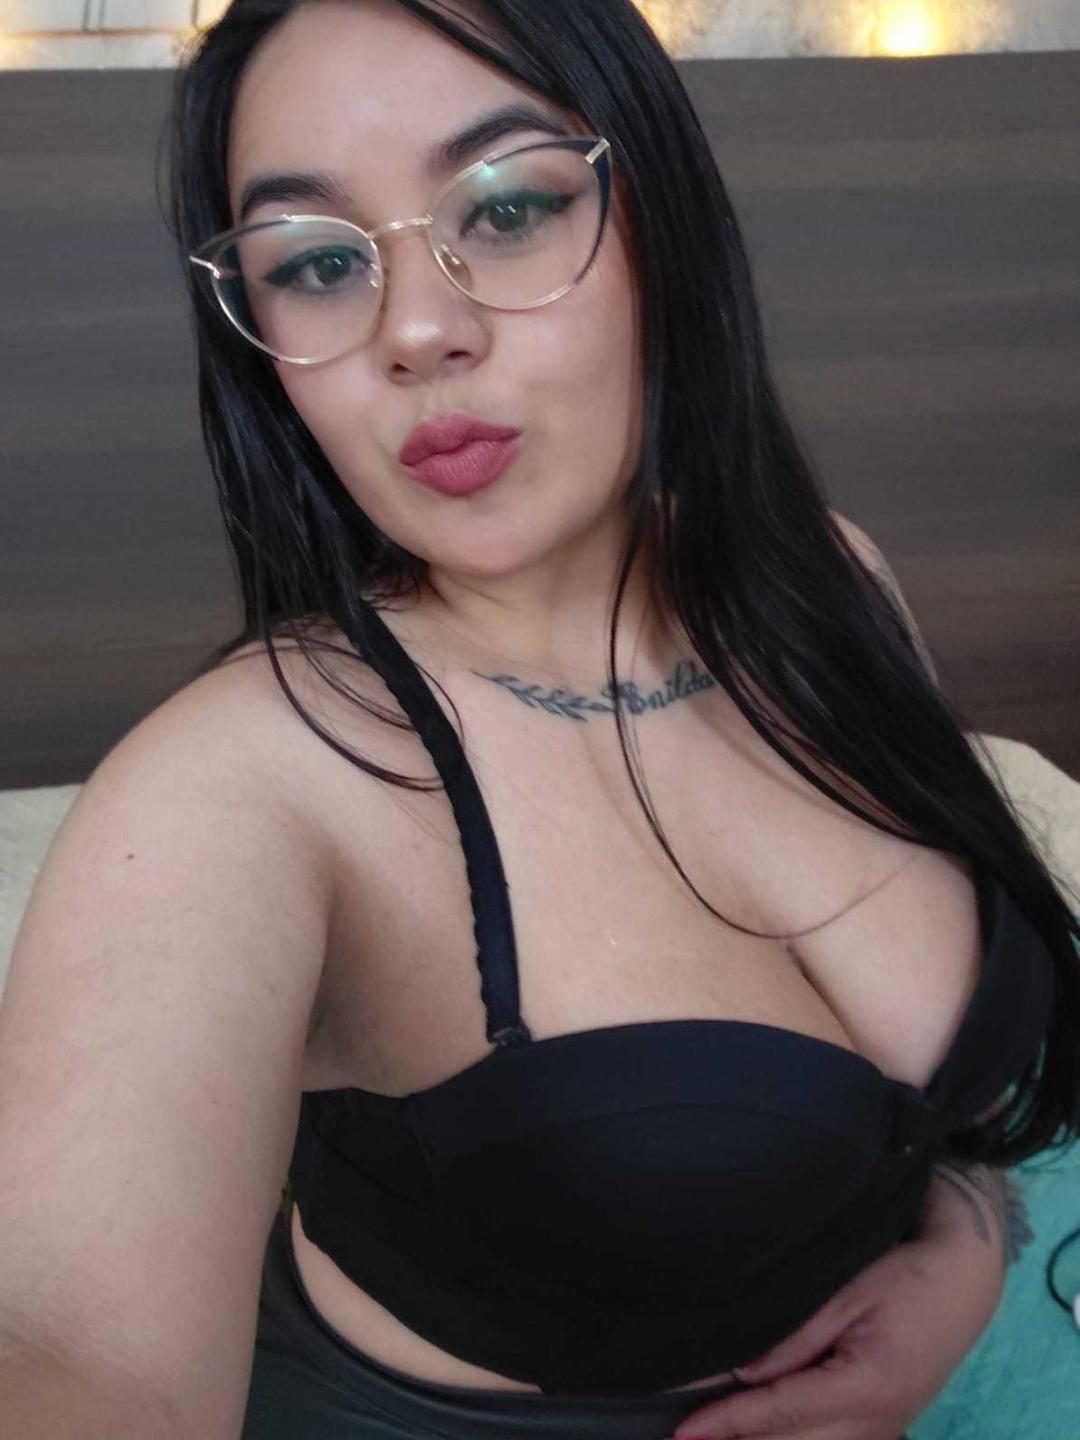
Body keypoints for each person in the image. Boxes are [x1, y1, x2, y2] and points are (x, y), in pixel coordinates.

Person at [1, 1, 1077, 1437]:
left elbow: (942, 1113)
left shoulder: (835, 586)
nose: (418, 331)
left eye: (506, 208)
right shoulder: (236, 788)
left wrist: (960, 1246)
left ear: (660, 224)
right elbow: (72, 1349)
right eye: (317, 263)